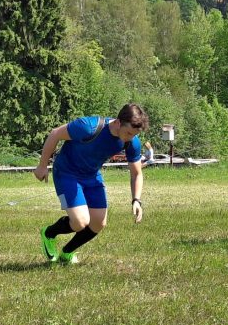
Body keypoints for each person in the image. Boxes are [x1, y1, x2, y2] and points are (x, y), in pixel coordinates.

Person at [34, 103, 148, 264]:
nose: (131, 137)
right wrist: (42, 165)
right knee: (80, 222)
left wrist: (136, 200)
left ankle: (67, 253)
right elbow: (55, 134)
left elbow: (136, 173)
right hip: (66, 174)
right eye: (129, 132)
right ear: (118, 122)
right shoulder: (88, 127)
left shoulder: (131, 142)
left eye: (134, 134)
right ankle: (49, 233)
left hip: (92, 176)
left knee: (98, 223)